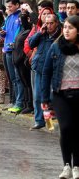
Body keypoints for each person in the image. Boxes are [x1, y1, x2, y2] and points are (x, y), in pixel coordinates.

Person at [41, 16, 79, 179]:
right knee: (65, 128)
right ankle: (66, 166)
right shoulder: (56, 47)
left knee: (77, 130)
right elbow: (46, 72)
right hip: (60, 94)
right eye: (65, 27)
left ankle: (77, 166)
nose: (66, 30)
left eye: (70, 28)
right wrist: (43, 97)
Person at [29, 13, 61, 130]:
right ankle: (39, 121)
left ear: (56, 23)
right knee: (37, 96)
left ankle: (51, 122)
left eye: (51, 23)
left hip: (53, 71)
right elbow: (31, 43)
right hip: (39, 68)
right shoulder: (42, 34)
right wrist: (39, 33)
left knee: (50, 97)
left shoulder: (59, 36)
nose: (49, 26)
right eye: (46, 23)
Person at [0, 0, 24, 113]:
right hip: (7, 50)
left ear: (17, 5)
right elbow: (4, 31)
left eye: (10, 6)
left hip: (16, 51)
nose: (8, 8)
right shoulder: (9, 17)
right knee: (12, 79)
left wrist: (13, 43)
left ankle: (20, 102)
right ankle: (14, 101)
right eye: (7, 6)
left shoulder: (20, 17)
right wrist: (2, 34)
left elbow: (20, 33)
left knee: (18, 78)